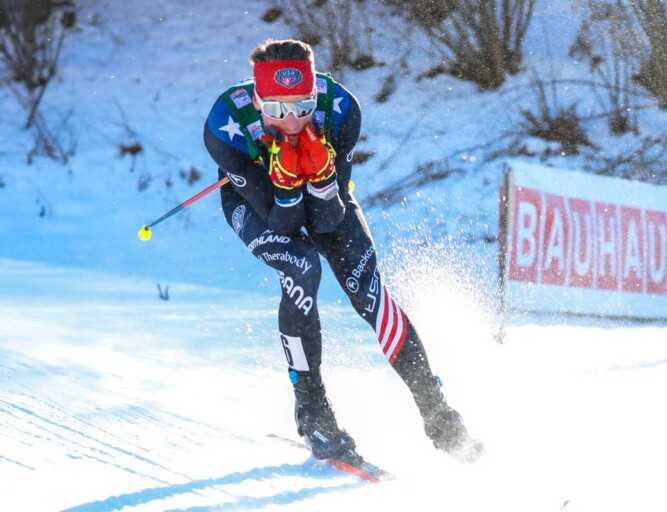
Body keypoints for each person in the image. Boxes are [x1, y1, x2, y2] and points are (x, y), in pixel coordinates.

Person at [203, 38, 482, 465]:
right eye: (277, 111)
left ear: (316, 94)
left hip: (324, 195)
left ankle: (436, 410)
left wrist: (317, 174)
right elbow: (284, 223)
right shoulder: (226, 124)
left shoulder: (341, 109)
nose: (292, 120)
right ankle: (311, 406)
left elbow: (329, 220)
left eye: (302, 106)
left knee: (369, 290)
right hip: (258, 203)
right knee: (302, 268)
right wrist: (286, 177)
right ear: (258, 102)